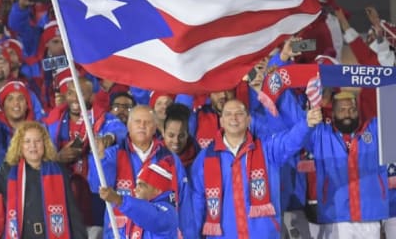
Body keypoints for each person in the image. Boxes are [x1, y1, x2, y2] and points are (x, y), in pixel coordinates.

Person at [191, 99, 321, 238]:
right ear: (221, 121)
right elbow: (197, 201)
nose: (234, 118)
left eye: (239, 113)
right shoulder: (205, 158)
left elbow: (289, 141)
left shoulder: (266, 148)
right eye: (228, 114)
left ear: (248, 120)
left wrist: (307, 124)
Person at [0, 120, 88, 239]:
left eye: (37, 141)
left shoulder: (59, 172)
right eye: (27, 141)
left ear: (45, 144)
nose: (32, 146)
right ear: (20, 146)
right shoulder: (8, 173)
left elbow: (73, 214)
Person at [88, 105, 196, 238]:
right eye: (137, 121)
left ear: (156, 127)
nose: (142, 126)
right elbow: (97, 187)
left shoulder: (169, 159)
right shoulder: (111, 154)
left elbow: (184, 202)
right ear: (128, 125)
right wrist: (100, 158)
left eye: (147, 122)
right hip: (118, 233)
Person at [305, 91, 389, 238]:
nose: (348, 114)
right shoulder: (321, 135)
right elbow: (291, 126)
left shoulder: (374, 129)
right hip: (336, 216)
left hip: (370, 213)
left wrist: (390, 81)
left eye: (352, 109)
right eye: (342, 110)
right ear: (333, 114)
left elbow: (392, 112)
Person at [99, 159, 179, 238]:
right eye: (136, 185)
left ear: (157, 190)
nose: (135, 189)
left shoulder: (168, 213)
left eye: (141, 185)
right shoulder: (136, 216)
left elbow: (152, 217)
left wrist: (119, 200)